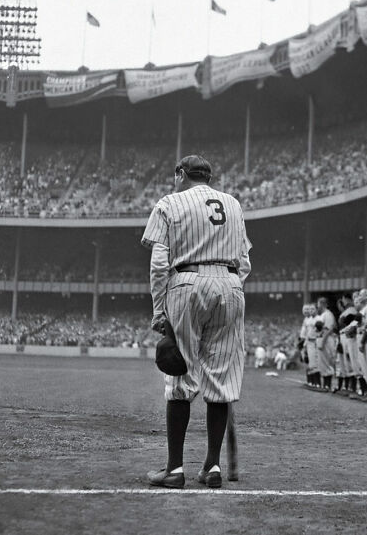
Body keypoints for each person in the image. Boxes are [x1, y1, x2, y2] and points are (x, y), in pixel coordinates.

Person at [142, 154, 252, 489]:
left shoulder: (169, 203)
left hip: (187, 282)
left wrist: (160, 309)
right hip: (231, 284)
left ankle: (174, 469)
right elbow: (245, 261)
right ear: (208, 176)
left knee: (180, 377)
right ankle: (212, 467)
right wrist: (227, 286)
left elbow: (160, 263)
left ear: (180, 174)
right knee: (221, 381)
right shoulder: (233, 204)